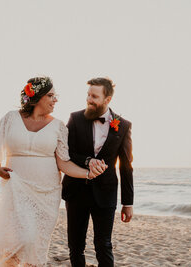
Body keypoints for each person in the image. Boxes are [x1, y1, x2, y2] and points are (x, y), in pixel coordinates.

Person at [0, 76, 107, 267]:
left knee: (33, 244)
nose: (55, 99)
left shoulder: (58, 126)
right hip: (15, 190)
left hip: (46, 195)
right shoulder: (11, 118)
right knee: (13, 244)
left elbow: (63, 164)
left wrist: (87, 174)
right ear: (37, 97)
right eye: (51, 95)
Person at [62, 77, 134, 267]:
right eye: (88, 95)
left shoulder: (123, 125)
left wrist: (128, 203)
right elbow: (66, 152)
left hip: (106, 193)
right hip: (76, 191)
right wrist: (87, 161)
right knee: (75, 246)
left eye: (94, 96)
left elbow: (126, 166)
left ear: (107, 99)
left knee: (104, 245)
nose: (89, 99)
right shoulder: (75, 118)